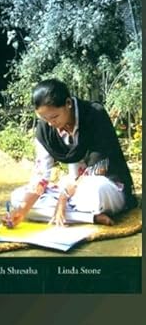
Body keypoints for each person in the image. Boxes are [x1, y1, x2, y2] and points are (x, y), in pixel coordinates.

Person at [7, 78, 136, 227]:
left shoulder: (94, 115)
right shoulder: (46, 128)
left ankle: (72, 212)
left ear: (68, 103)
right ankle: (90, 217)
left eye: (54, 117)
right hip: (72, 191)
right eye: (44, 118)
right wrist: (22, 210)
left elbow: (99, 167)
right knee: (18, 198)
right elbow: (41, 173)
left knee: (96, 190)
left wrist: (63, 198)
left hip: (103, 186)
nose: (50, 123)